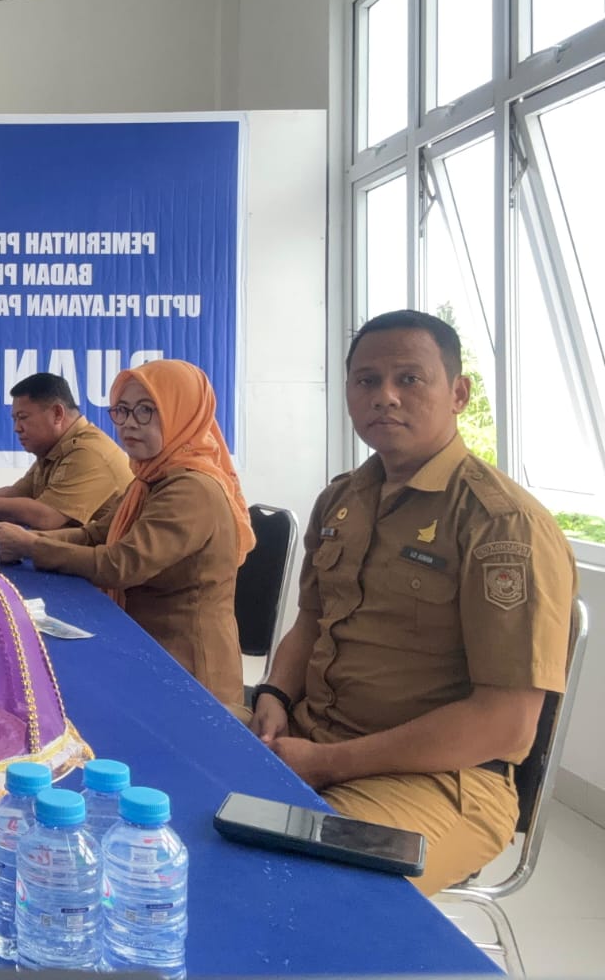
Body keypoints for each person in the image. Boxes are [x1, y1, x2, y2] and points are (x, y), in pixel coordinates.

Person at [247, 310, 576, 895]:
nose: (386, 396)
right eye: (366, 380)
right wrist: (274, 694)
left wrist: (329, 763)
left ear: (458, 394)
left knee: (303, 887)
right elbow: (312, 621)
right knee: (159, 778)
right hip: (310, 736)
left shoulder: (501, 525)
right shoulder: (341, 499)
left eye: (409, 378)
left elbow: (505, 724)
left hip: (441, 779)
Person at [0, 360, 251, 703]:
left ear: (182, 413)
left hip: (189, 677)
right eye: (122, 410)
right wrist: (29, 540)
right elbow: (97, 534)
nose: (129, 423)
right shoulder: (149, 478)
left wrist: (31, 546)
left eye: (146, 410)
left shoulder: (192, 488)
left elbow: (121, 564)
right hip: (144, 644)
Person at [0, 372, 132, 529]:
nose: (17, 428)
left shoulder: (90, 452)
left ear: (57, 414)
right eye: (15, 419)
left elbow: (45, 517)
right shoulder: (52, 449)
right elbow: (18, 493)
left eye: (23, 417)